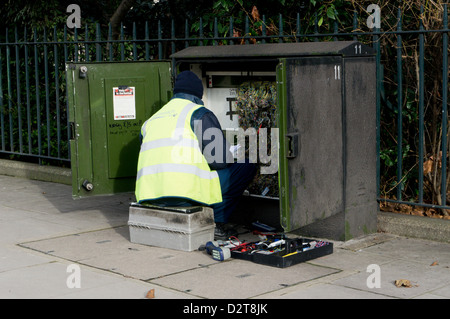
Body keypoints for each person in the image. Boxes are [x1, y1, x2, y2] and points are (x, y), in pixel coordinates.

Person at [135, 71, 256, 239]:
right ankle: (216, 224)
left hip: (149, 196)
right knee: (245, 166)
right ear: (198, 95)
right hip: (184, 195)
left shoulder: (151, 120)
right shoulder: (199, 113)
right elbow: (219, 161)